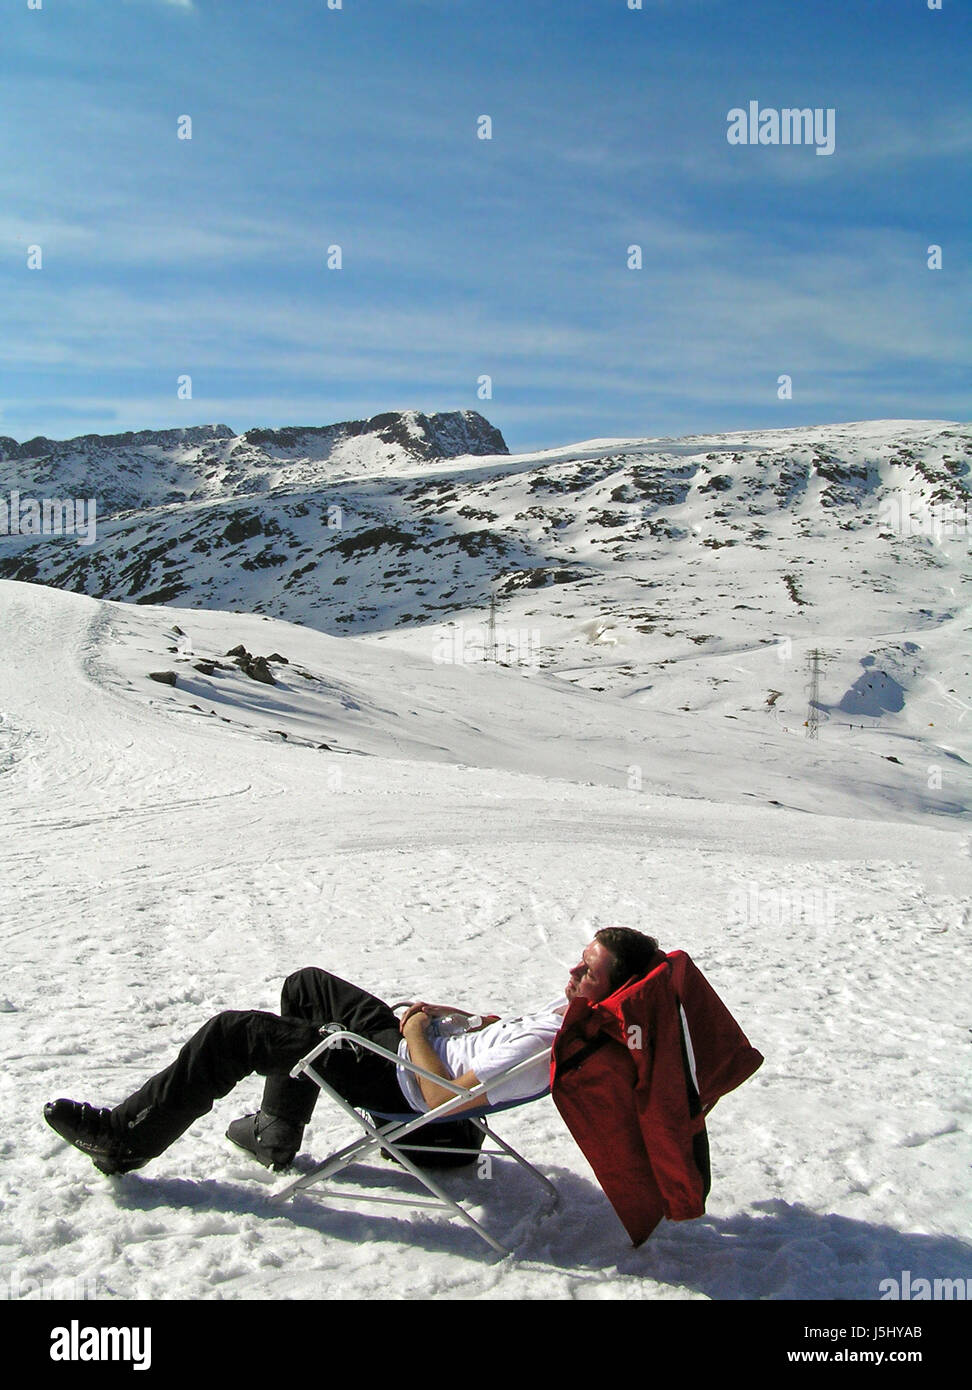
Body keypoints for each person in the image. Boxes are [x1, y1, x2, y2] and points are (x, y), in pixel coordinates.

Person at [44, 928, 661, 1178]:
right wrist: (453, 1017)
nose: (573, 973)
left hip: (401, 1080)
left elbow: (444, 1096)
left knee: (235, 1032)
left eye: (588, 971)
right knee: (306, 985)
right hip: (417, 1050)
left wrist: (417, 1027)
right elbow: (493, 1039)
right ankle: (278, 1128)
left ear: (615, 989)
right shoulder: (573, 1019)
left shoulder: (551, 1040)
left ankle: (127, 1138)